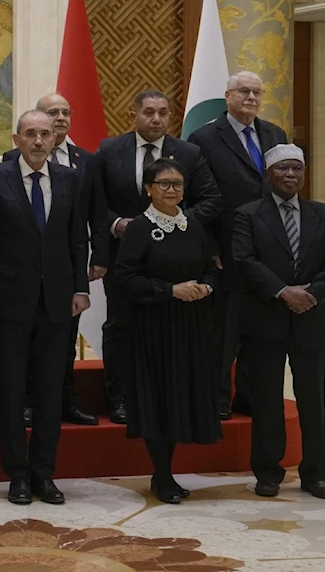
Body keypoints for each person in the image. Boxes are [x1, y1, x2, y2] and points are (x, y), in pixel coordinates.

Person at [0, 110, 89, 506]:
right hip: (10, 301)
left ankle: (44, 473)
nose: (39, 141)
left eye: (45, 134)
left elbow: (78, 240)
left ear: (54, 139)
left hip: (58, 303)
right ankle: (17, 476)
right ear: (16, 138)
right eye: (31, 134)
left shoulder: (70, 179)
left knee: (49, 392)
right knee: (10, 392)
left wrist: (81, 288)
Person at [96, 90, 220, 424]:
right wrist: (116, 223)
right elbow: (95, 201)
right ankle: (120, 397)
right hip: (126, 257)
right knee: (121, 326)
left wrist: (174, 222)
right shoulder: (110, 150)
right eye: (149, 112)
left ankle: (171, 396)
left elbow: (211, 199)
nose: (156, 119)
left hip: (177, 257)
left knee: (171, 328)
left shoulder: (190, 153)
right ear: (133, 114)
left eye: (163, 113)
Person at [233, 145, 325, 500]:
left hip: (311, 320)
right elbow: (244, 259)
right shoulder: (248, 215)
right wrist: (283, 291)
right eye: (282, 168)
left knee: (312, 399)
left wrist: (310, 294)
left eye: (297, 168)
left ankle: (315, 474)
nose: (290, 175)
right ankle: (268, 473)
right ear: (269, 174)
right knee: (266, 400)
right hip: (266, 321)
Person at [112, 158, 221, 504]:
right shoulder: (140, 228)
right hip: (152, 329)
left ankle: (166, 472)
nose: (171, 189)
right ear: (148, 188)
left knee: (178, 399)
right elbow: (124, 278)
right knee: (158, 399)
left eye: (177, 184)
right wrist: (170, 290)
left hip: (190, 327)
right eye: (163, 184)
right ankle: (161, 475)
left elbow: (212, 268)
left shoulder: (194, 226)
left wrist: (206, 288)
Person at [187, 71, 288, 419]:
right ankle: (217, 399)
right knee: (223, 331)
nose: (251, 98)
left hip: (268, 250)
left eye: (257, 92)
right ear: (227, 95)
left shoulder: (275, 134)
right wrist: (209, 245)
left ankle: (249, 395)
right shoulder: (203, 138)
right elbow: (198, 198)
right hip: (225, 249)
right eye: (244, 91)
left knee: (260, 329)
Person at [3, 93, 108, 427]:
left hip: (63, 276)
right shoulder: (9, 162)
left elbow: (94, 216)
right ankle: (30, 403)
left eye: (65, 112)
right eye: (52, 112)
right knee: (29, 350)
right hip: (21, 278)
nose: (60, 118)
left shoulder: (85, 162)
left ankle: (66, 401)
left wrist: (98, 258)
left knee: (63, 346)